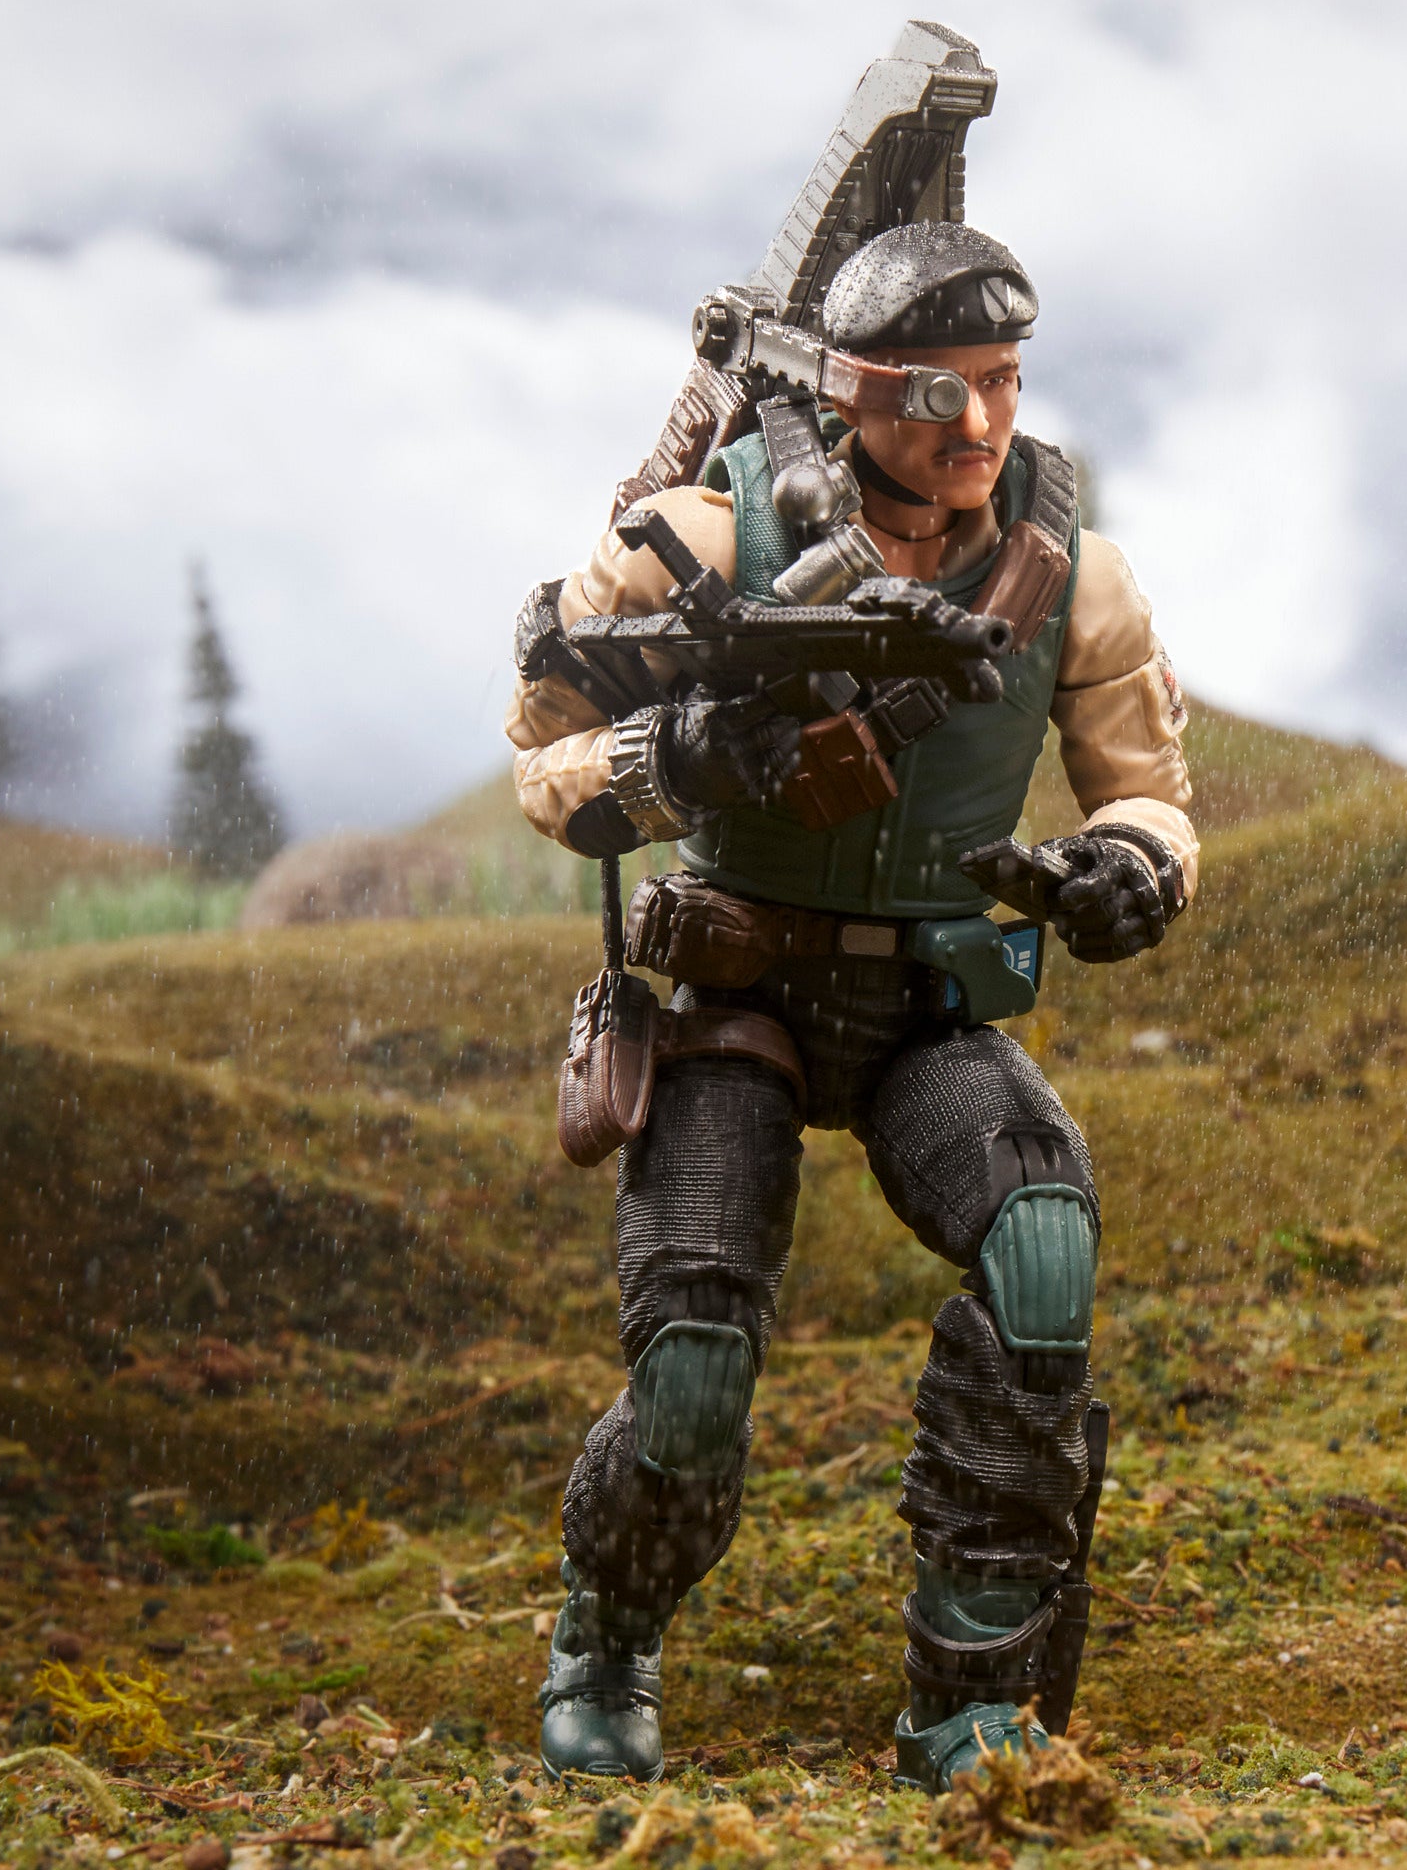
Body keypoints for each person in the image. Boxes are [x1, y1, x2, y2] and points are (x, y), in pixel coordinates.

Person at [504, 221, 1198, 1791]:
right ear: (848, 391)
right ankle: (608, 1631)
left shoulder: (1072, 577)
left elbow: (1149, 792)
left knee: (1042, 1251)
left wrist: (1126, 870)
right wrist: (670, 757)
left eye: (1004, 381)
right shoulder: (700, 539)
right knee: (692, 1366)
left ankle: (973, 1691)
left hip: (928, 1014)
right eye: (936, 392)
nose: (979, 424)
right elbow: (541, 750)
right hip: (735, 998)